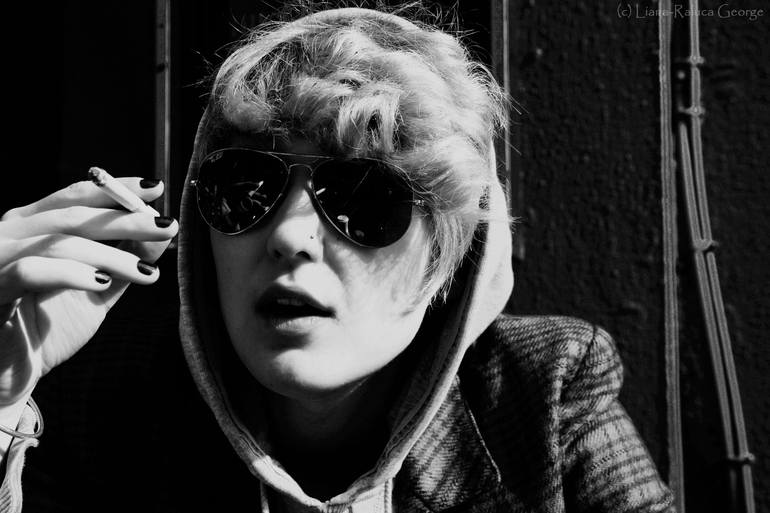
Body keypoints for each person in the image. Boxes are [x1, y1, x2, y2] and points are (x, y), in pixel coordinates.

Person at [0, 5, 675, 512]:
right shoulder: (103, 405)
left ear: (448, 264)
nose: (290, 235)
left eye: (363, 196)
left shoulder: (544, 396)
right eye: (246, 186)